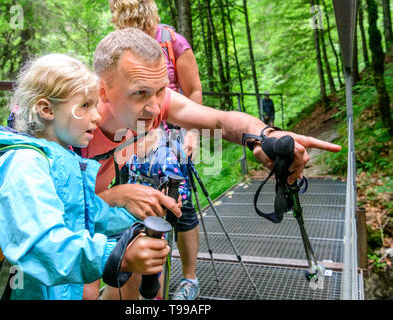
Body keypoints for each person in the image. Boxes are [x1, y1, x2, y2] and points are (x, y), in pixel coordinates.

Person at [80, 28, 341, 300]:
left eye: (160, 91)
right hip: (66, 229)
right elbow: (53, 218)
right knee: (84, 290)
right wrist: (115, 196)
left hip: (93, 206)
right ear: (103, 91)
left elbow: (221, 121)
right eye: (140, 93)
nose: (156, 109)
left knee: (132, 266)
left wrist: (265, 137)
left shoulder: (150, 104)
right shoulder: (69, 129)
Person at [0, 53, 178, 300]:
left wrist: (138, 214)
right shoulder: (23, 165)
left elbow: (89, 217)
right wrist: (116, 256)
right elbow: (41, 246)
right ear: (46, 109)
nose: (98, 116)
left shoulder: (62, 160)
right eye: (85, 105)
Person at [108, 0, 202, 300]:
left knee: (181, 206)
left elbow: (194, 89)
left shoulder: (175, 42)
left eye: (144, 29)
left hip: (172, 135)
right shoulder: (116, 48)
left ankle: (189, 279)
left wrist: (193, 131)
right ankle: (137, 278)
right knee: (130, 204)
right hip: (130, 137)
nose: (140, 36)